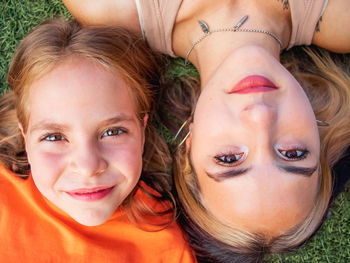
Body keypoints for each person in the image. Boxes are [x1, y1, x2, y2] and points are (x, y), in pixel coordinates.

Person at [62, 0, 350, 261]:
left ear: (189, 146)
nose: (260, 117)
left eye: (228, 158)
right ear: (317, 133)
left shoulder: (109, 8)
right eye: (293, 153)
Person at [0, 18, 196, 262]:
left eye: (112, 132)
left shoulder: (165, 249)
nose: (88, 167)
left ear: (142, 129)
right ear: (24, 137)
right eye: (54, 137)